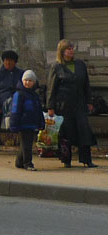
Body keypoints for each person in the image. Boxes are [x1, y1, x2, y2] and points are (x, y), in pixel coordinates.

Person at [47, 39, 99, 168]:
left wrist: (89, 101)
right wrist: (51, 107)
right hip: (64, 105)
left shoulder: (80, 65)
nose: (71, 51)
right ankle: (66, 160)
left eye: (72, 48)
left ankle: (87, 159)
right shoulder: (57, 66)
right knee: (66, 133)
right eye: (68, 49)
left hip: (79, 103)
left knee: (84, 131)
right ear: (62, 52)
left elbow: (86, 84)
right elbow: (52, 88)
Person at [8, 69, 45, 171]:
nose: (27, 83)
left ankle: (19, 161)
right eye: (26, 80)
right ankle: (28, 163)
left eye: (30, 81)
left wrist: (41, 122)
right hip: (23, 123)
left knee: (26, 144)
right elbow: (15, 111)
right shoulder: (19, 94)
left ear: (34, 82)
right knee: (27, 145)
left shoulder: (34, 95)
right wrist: (14, 124)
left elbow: (39, 110)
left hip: (32, 123)